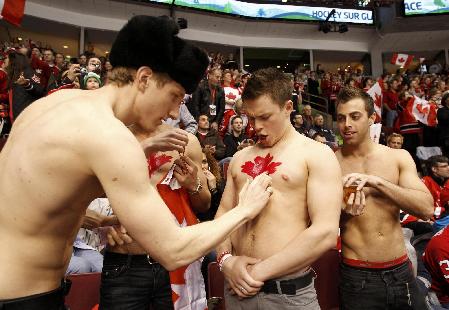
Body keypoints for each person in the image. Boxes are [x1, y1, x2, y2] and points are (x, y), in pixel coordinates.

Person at [0, 15, 273, 309]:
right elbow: (173, 250)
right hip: (23, 299)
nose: (172, 113)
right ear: (143, 78)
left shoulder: (54, 105)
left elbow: (40, 196)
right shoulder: (111, 137)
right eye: (173, 96)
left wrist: (100, 219)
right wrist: (245, 209)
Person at [215, 68, 342, 309]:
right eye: (251, 118)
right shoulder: (240, 158)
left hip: (288, 294)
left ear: (287, 107)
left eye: (265, 117)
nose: (256, 127)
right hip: (237, 290)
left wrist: (258, 272)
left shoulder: (316, 154)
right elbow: (224, 215)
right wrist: (226, 261)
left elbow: (325, 232)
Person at [335, 86, 434, 310]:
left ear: (372, 118)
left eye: (355, 116)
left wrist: (376, 181)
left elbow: (426, 207)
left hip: (401, 270)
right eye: (341, 118)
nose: (346, 124)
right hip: (357, 276)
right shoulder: (330, 162)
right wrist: (341, 211)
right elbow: (317, 220)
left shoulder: (398, 157)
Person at [100, 124, 211, 310]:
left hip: (175, 262)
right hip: (125, 263)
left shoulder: (186, 141)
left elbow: (204, 204)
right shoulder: (109, 137)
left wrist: (194, 186)